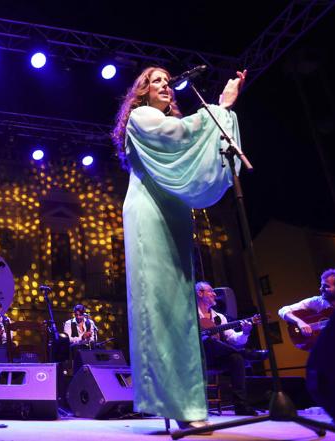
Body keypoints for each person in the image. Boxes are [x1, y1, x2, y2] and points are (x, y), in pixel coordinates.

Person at [112, 66, 246, 428]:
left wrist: (219, 112)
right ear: (141, 92)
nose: (166, 87)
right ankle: (178, 405)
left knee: (183, 311)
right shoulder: (142, 117)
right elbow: (178, 134)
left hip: (173, 212)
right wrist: (220, 107)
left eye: (168, 82)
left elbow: (192, 145)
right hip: (149, 215)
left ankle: (186, 403)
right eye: (157, 81)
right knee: (161, 306)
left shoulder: (175, 120)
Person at [196, 282, 258, 416]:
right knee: (208, 341)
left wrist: (245, 332)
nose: (214, 294)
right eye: (210, 291)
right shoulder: (190, 315)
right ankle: (249, 355)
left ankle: (241, 406)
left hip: (214, 357)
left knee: (236, 358)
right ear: (200, 293)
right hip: (195, 358)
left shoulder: (219, 318)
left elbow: (232, 338)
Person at [278, 268, 335, 340]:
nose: (320, 289)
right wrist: (300, 322)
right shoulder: (317, 301)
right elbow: (283, 310)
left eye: (326, 286)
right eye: (321, 285)